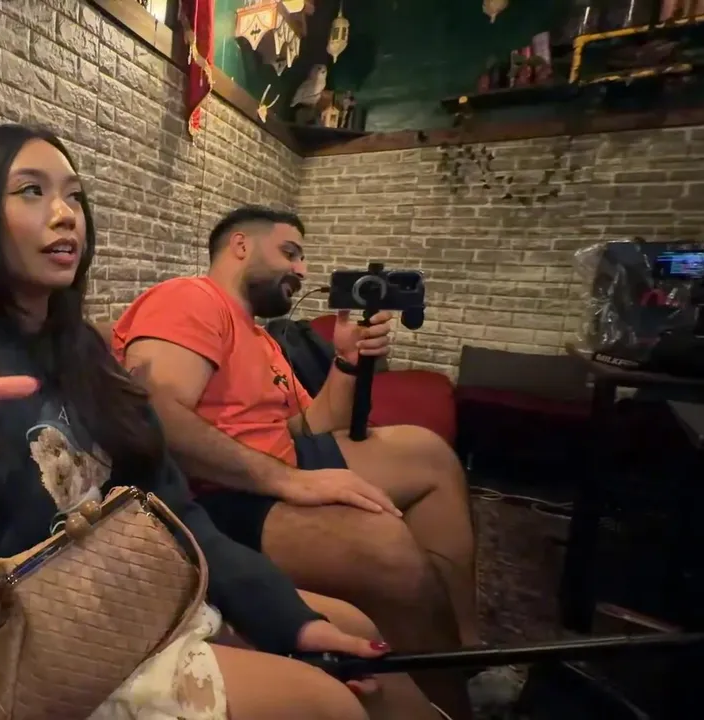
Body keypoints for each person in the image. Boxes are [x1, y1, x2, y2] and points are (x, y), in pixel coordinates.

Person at [0, 125, 442, 720]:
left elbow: (171, 507)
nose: (66, 215)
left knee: (348, 634)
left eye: (74, 195)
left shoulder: (81, 352)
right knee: (328, 702)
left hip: (125, 595)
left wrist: (289, 621)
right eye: (31, 191)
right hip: (21, 659)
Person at [113, 206, 485, 719]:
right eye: (290, 253)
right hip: (219, 493)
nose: (302, 269)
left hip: (281, 462)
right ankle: (448, 705)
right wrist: (287, 481)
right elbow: (157, 417)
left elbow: (310, 425)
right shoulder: (191, 298)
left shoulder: (262, 337)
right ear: (240, 246)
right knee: (384, 545)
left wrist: (346, 360)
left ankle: (465, 654)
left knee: (429, 456)